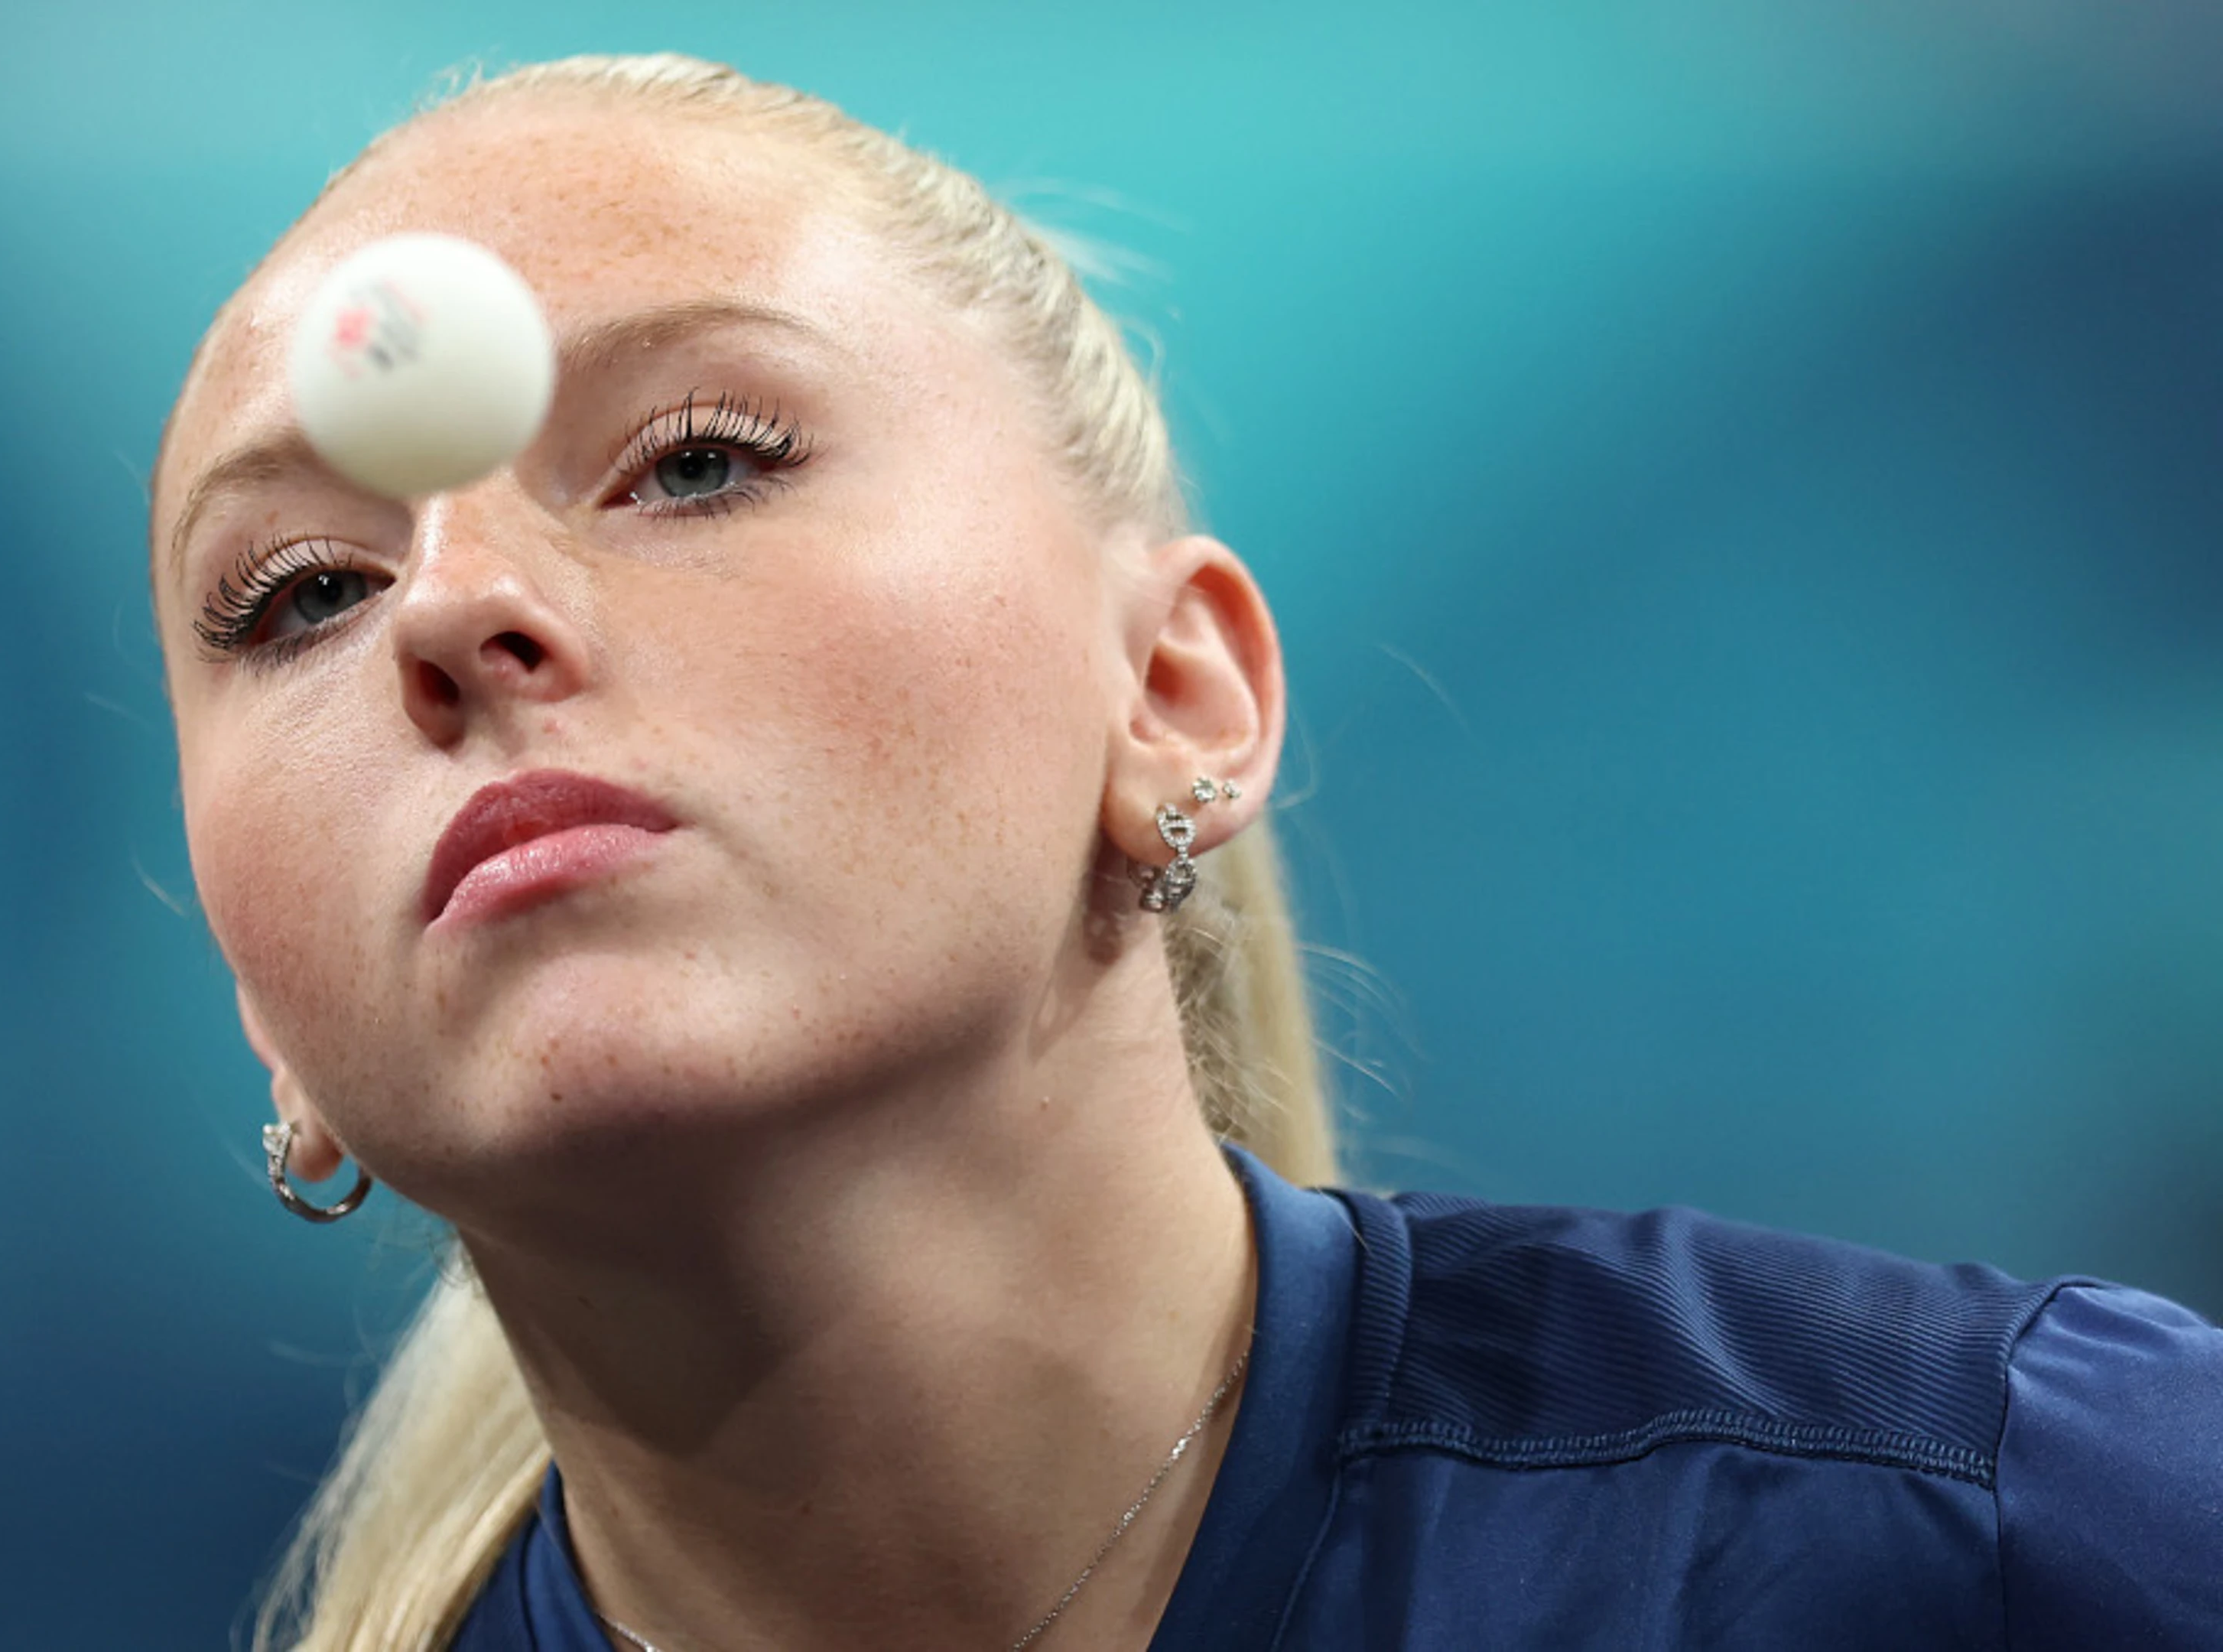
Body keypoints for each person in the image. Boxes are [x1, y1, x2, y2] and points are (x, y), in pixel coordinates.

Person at [148, 53, 2222, 1652]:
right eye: (300, 594)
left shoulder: (2029, 1522)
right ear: (268, 1018)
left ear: (1176, 697)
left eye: (698, 460)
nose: (447, 608)